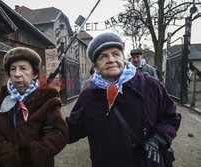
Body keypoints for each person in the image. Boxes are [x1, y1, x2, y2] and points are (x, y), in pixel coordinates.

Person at [66, 32, 181, 167]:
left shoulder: (149, 85)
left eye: (116, 54)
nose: (111, 59)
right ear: (95, 65)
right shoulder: (88, 96)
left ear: (123, 57)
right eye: (103, 56)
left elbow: (171, 117)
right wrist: (49, 125)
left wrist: (159, 138)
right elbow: (72, 129)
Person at [0, 47, 68, 167]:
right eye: (13, 69)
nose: (17, 74)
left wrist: (23, 156)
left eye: (23, 68)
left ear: (35, 73)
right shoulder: (0, 97)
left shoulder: (47, 98)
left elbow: (58, 135)